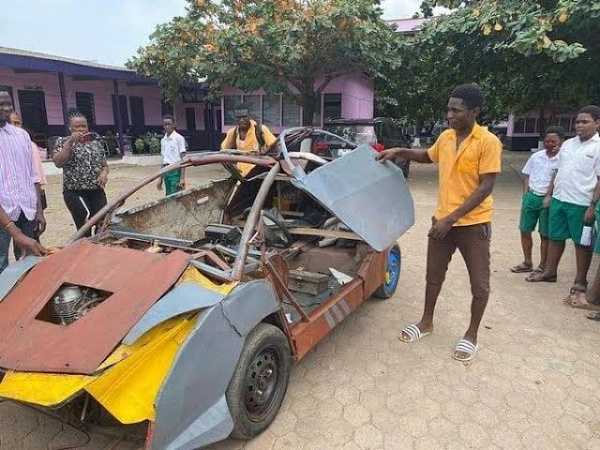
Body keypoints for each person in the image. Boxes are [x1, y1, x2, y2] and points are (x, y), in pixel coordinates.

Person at [377, 83, 502, 362]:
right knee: (433, 276)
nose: (449, 115)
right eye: (448, 109)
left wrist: (452, 219)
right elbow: (427, 156)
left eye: (455, 110)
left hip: (473, 225)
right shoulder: (446, 138)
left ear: (474, 111)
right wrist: (399, 151)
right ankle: (426, 322)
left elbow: (486, 187)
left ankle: (471, 334)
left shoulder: (488, 142)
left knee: (479, 284)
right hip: (441, 222)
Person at [527, 106, 600, 305]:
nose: (579, 125)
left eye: (585, 122)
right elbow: (556, 171)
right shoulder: (568, 144)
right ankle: (550, 272)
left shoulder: (598, 147)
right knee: (555, 237)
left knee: (581, 243)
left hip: (581, 203)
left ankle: (580, 282)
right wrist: (550, 195)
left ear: (597, 123)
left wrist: (592, 206)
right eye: (577, 122)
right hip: (559, 199)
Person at [0, 90, 47, 271]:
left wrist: (39, 211)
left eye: (8, 104)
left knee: (29, 262)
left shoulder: (21, 136)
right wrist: (13, 230)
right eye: (0, 105)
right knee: (1, 264)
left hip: (26, 210)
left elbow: (33, 175)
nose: (6, 109)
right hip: (3, 213)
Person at [510, 126, 564, 275]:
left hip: (549, 200)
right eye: (547, 141)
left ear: (561, 142)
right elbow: (527, 175)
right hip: (531, 197)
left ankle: (542, 266)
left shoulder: (564, 160)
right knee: (525, 230)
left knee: (544, 234)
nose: (550, 144)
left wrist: (549, 196)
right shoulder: (537, 156)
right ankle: (527, 262)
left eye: (554, 141)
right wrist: (526, 194)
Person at [53, 111, 109, 236]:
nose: (81, 129)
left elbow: (104, 165)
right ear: (70, 128)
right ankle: (85, 247)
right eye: (76, 127)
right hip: (74, 192)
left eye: (83, 126)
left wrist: (104, 173)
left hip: (96, 190)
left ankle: (99, 249)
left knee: (103, 221)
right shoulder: (62, 142)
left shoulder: (96, 143)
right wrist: (70, 143)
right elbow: (58, 162)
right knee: (85, 218)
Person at [10, 112, 48, 238]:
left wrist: (39, 211)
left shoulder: (29, 145)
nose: (14, 127)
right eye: (10, 123)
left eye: (17, 123)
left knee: (29, 244)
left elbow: (35, 178)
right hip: (6, 207)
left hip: (27, 205)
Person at [220, 105, 277, 176]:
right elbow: (223, 151)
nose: (241, 120)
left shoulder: (260, 130)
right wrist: (232, 166)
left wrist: (264, 153)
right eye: (238, 117)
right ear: (235, 118)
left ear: (250, 116)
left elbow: (275, 146)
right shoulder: (233, 132)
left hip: (258, 175)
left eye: (244, 117)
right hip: (240, 175)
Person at [157, 115, 187, 196]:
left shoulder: (179, 138)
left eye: (169, 124)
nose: (167, 126)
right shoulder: (163, 140)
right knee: (168, 196)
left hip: (176, 171)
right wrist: (160, 178)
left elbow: (184, 159)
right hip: (166, 171)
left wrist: (182, 178)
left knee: (176, 196)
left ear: (174, 125)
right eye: (165, 124)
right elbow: (163, 160)